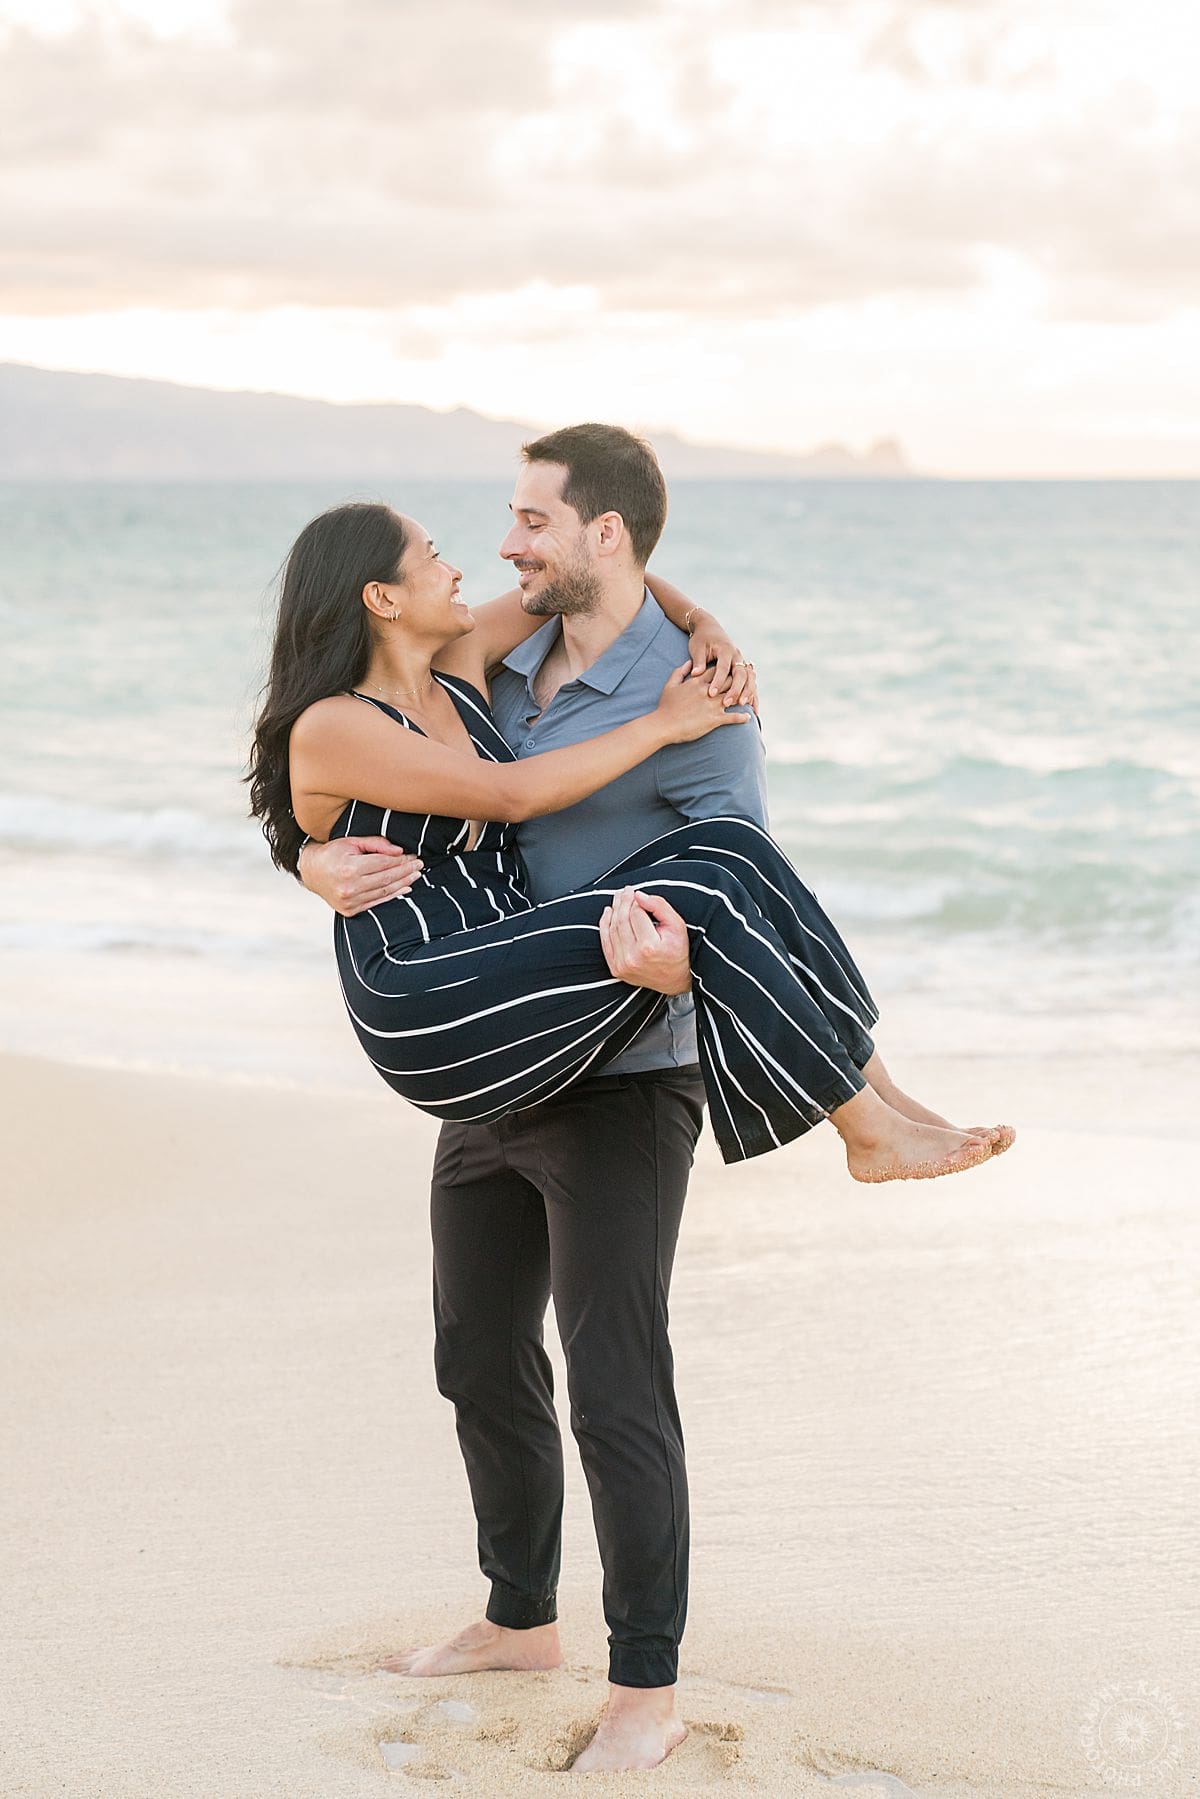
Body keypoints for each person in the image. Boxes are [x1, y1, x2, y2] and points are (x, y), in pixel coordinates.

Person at [259, 425, 1012, 1770]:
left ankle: (643, 1690)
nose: (489, 549)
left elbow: (751, 858)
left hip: (613, 1069)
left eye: (526, 521)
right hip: (474, 1030)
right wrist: (302, 857)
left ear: (602, 533)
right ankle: (517, 1618)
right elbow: (466, 791)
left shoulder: (604, 677)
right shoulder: (481, 671)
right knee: (480, 1357)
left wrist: (697, 630)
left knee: (607, 1376)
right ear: (380, 598)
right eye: (450, 545)